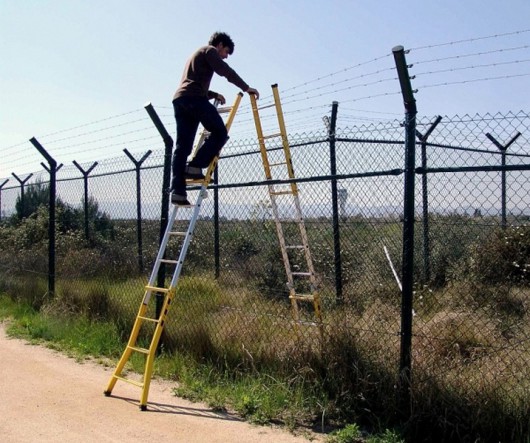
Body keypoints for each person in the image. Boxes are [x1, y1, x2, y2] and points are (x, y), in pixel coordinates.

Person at [170, 32, 260, 206]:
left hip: (181, 100)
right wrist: (246, 87)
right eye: (226, 52)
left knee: (182, 147)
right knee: (220, 132)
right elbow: (225, 71)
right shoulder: (209, 50)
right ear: (219, 45)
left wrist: (213, 94)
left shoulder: (195, 56)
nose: (225, 57)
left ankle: (178, 192)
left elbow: (192, 82)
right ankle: (195, 166)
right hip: (195, 100)